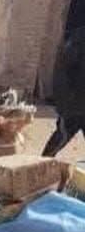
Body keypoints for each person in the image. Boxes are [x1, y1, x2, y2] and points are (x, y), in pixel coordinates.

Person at [43, 27, 85, 157]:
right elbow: (62, 71)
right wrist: (64, 102)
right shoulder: (79, 39)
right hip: (75, 103)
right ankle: (40, 165)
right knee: (61, 136)